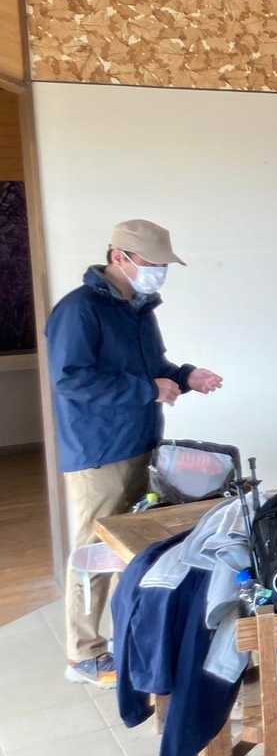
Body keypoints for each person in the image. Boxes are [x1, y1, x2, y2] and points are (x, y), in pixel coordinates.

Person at [46, 220, 223, 688]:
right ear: (119, 257)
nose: (159, 272)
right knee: (94, 551)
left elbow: (154, 368)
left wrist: (185, 377)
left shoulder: (140, 310)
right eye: (153, 263)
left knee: (132, 547)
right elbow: (71, 380)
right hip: (98, 451)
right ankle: (83, 654)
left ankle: (129, 636)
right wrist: (147, 389)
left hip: (140, 443)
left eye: (164, 265)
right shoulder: (79, 310)